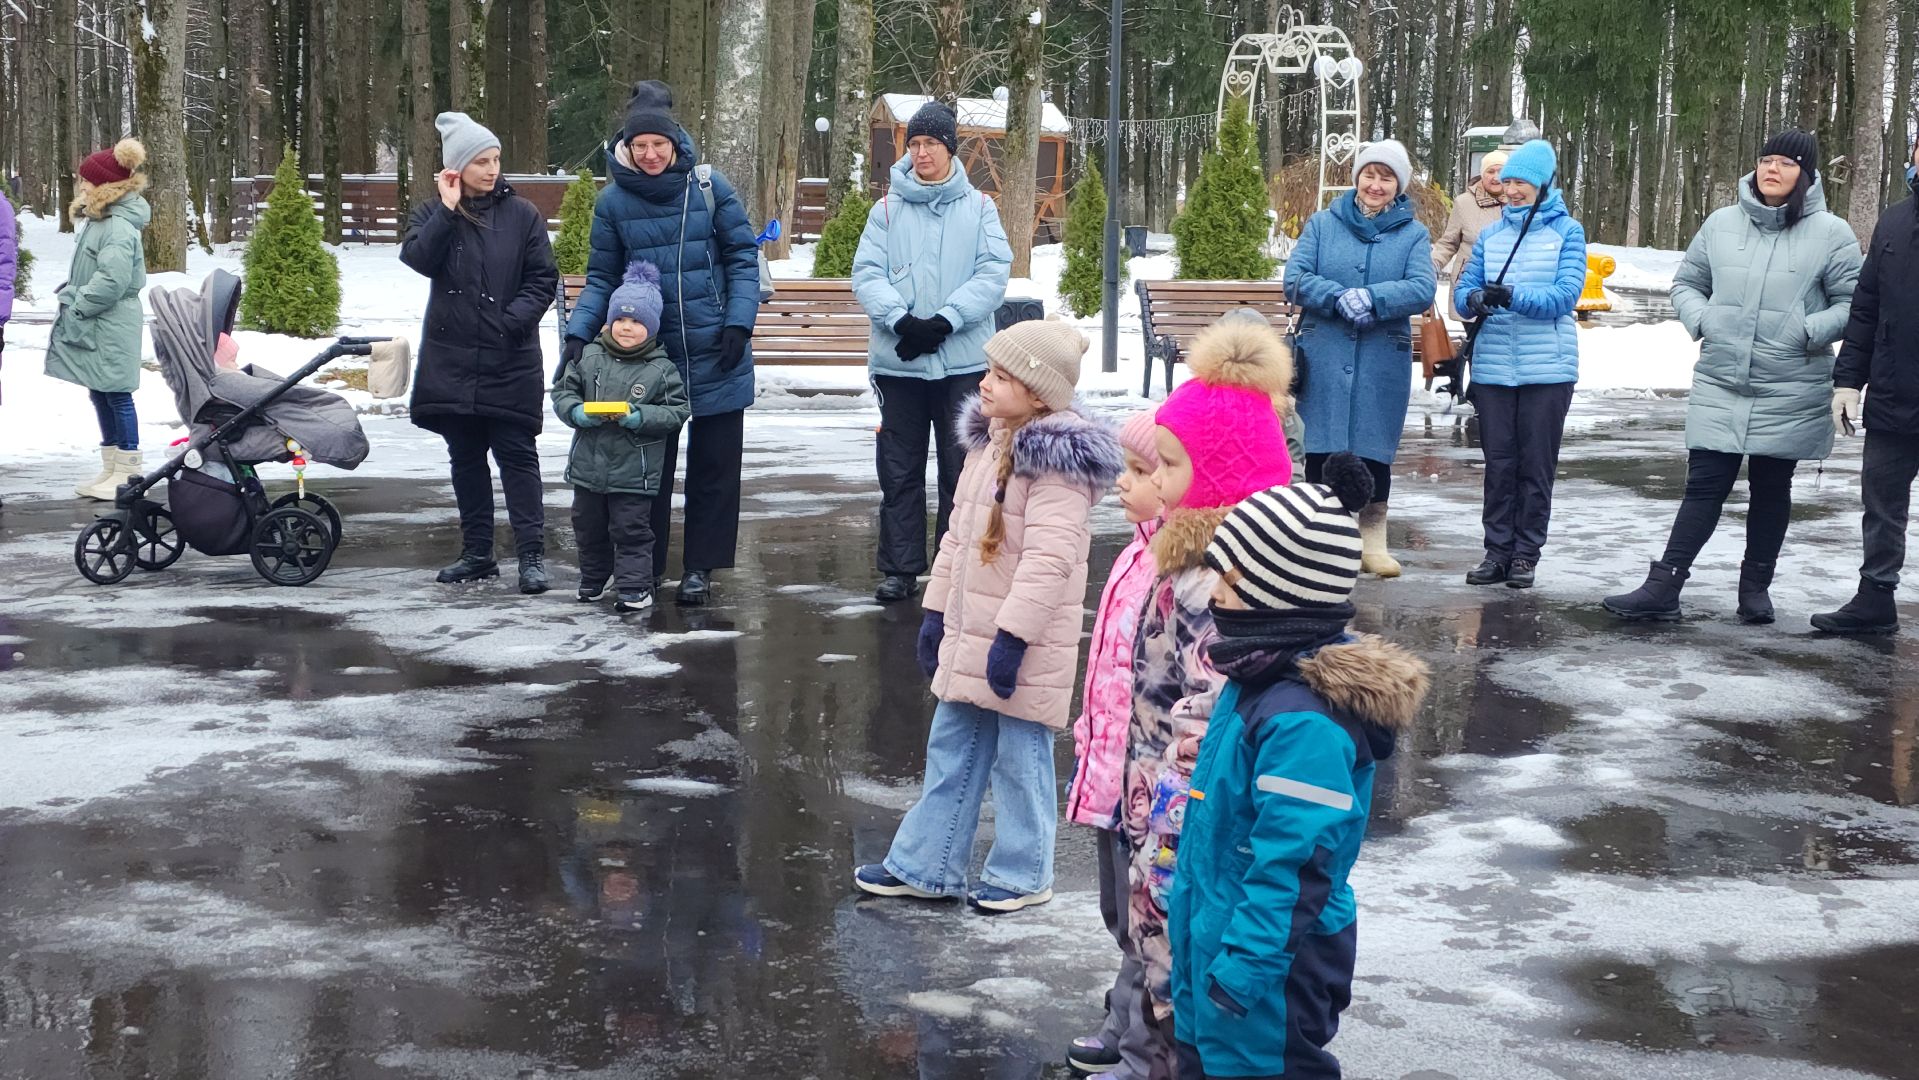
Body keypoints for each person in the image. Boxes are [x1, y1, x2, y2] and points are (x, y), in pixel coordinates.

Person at [1168, 456, 1429, 1080]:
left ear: (1276, 596)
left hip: (1269, 962)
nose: (1214, 600)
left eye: (1227, 585)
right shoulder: (1258, 675)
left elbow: (1297, 862)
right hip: (1216, 932)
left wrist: (1243, 968)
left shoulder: (1304, 721)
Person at [853, 319, 1121, 913]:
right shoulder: (988, 442)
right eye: (989, 372)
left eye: (1002, 377)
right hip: (969, 632)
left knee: (1020, 759)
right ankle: (927, 863)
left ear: (1040, 393)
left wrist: (1014, 638)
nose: (986, 384)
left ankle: (1025, 873)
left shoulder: (1057, 464)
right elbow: (957, 536)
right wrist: (933, 611)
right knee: (951, 749)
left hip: (1021, 643)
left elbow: (1051, 560)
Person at [1126, 317, 1294, 1072]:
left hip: (1186, 815)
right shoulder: (1183, 561)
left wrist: (1166, 827)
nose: (1153, 480)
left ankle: (1171, 1057)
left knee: (1178, 956)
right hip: (1156, 796)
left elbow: (1207, 711)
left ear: (1219, 476)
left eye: (1167, 466)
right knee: (1160, 950)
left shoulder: (1217, 585)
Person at [1604, 131, 1861, 624]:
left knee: (1771, 488)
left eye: (1786, 162)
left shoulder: (1832, 233)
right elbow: (1687, 282)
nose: (1772, 169)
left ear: (1805, 174)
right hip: (1722, 377)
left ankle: (1755, 588)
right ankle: (1665, 585)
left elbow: (1853, 304)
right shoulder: (1722, 223)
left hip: (1791, 380)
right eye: (1766, 159)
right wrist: (1704, 319)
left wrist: (1808, 329)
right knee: (1704, 485)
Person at [564, 81, 762, 607]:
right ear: (626, 147)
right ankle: (643, 567)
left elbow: (743, 258)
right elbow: (601, 275)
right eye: (640, 145)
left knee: (715, 470)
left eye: (659, 143)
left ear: (675, 141)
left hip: (718, 349)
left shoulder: (709, 188)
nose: (650, 154)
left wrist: (739, 323)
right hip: (644, 359)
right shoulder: (613, 202)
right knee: (644, 471)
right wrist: (580, 331)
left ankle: (700, 567)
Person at [853, 100, 1013, 604]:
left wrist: (947, 319)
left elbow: (993, 273)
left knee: (961, 470)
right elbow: (867, 273)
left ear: (949, 148)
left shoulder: (981, 208)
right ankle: (899, 567)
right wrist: (901, 319)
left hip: (962, 363)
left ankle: (955, 561)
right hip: (898, 361)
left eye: (931, 144)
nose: (922, 153)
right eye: (915, 144)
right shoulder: (885, 210)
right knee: (898, 470)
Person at [401, 112, 559, 594]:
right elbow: (418, 259)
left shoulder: (523, 215)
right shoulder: (432, 215)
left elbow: (542, 279)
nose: (492, 170)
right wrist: (449, 212)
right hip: (451, 361)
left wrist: (510, 323)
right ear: (457, 167)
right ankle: (477, 553)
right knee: (465, 458)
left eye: (496, 159)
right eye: (481, 161)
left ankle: (531, 555)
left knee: (517, 456)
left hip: (509, 359)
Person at [1283, 139, 1437, 578]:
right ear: (1356, 178)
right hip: (1325, 352)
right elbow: (1294, 279)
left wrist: (1372, 297)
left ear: (1399, 185)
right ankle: (1318, 541)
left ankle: (1373, 544)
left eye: (1386, 177)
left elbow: (1422, 288)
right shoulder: (1322, 224)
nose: (1376, 184)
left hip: (1379, 358)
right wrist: (1336, 296)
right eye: (1369, 174)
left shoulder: (1413, 234)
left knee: (1374, 450)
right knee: (1320, 445)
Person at [1063, 410, 1163, 1079]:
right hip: (1107, 761)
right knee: (1116, 910)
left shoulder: (1178, 562)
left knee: (1143, 917)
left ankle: (1140, 1049)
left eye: (1140, 472)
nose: (1121, 484)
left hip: (1145, 774)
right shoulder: (1136, 547)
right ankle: (1120, 1020)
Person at [1455, 138, 1587, 589]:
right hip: (1493, 369)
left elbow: (1565, 295)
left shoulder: (1568, 232)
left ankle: (1526, 553)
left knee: (1536, 465)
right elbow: (1461, 294)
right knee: (1499, 464)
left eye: (1521, 183)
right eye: (1506, 182)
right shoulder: (1491, 236)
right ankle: (1496, 551)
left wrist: (1513, 296)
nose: (1511, 191)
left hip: (1547, 370)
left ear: (1543, 184)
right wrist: (1474, 298)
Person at [1814, 138, 1919, 634]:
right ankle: (1875, 596)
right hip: (1895, 396)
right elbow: (1866, 308)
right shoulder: (1895, 220)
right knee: (1881, 504)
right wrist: (1848, 381)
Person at [551, 260, 690, 614]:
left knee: (631, 531)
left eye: (637, 322)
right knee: (587, 526)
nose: (627, 328)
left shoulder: (662, 369)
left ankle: (633, 588)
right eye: (621, 320)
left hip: (634, 471)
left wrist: (641, 416)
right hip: (588, 467)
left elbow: (677, 411)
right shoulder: (589, 357)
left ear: (653, 327)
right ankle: (594, 579)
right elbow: (563, 391)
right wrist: (575, 411)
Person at [46, 138, 150, 502]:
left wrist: (79, 304)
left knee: (117, 394)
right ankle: (111, 465)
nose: (82, 184)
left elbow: (112, 280)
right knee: (100, 390)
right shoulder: (100, 219)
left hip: (112, 321)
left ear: (107, 184)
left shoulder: (118, 226)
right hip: (101, 322)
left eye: (87, 180)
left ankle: (128, 469)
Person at [1432, 148, 1510, 318]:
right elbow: (1448, 242)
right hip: (1469, 282)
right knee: (1473, 339)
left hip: (1506, 284)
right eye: (1490, 171)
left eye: (1501, 171)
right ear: (1482, 174)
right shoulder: (1464, 203)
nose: (1495, 177)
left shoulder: (1518, 202)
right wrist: (1433, 264)